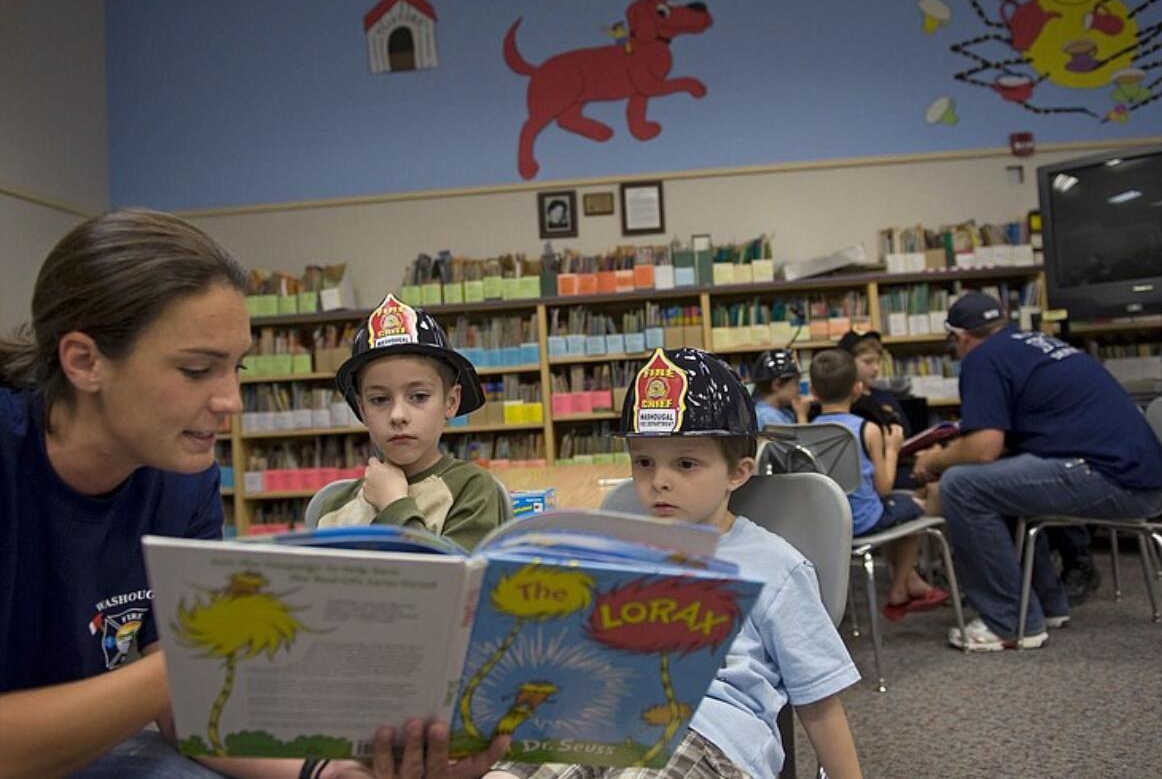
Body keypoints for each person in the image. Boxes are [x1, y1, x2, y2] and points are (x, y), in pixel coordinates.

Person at [0, 211, 508, 779]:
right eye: (197, 370)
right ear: (84, 361)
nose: (232, 402)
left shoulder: (182, 473)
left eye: (236, 368)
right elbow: (173, 681)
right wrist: (201, 657)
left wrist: (326, 773)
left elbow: (184, 713)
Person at [488, 347, 863, 779]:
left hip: (709, 734)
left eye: (685, 463)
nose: (659, 480)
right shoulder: (619, 551)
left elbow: (819, 700)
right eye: (644, 462)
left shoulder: (774, 564)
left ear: (738, 473)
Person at [912, 292, 1162, 652]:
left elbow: (983, 448)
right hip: (1137, 474)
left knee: (961, 486)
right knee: (993, 483)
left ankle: (1009, 622)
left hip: (1109, 477)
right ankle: (1046, 606)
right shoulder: (1037, 343)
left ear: (961, 337)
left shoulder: (982, 359)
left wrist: (933, 461)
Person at [316, 294, 508, 551]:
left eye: (418, 396)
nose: (397, 415)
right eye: (379, 399)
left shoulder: (471, 489)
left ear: (451, 402)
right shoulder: (335, 507)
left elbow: (454, 582)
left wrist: (395, 505)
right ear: (361, 409)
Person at [809, 349, 947, 619]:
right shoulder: (867, 429)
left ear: (813, 391)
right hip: (862, 521)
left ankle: (910, 582)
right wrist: (893, 449)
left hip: (828, 523)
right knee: (917, 504)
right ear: (858, 388)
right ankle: (900, 585)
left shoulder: (807, 428)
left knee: (897, 508)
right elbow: (883, 487)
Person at [835, 331, 912, 436]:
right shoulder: (839, 400)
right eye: (868, 362)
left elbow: (905, 434)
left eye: (878, 361)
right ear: (847, 362)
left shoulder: (885, 398)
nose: (876, 368)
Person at [749, 349, 810, 426]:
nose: (799, 389)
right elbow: (803, 438)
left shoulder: (784, 412)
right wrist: (802, 416)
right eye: (796, 384)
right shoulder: (767, 416)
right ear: (776, 385)